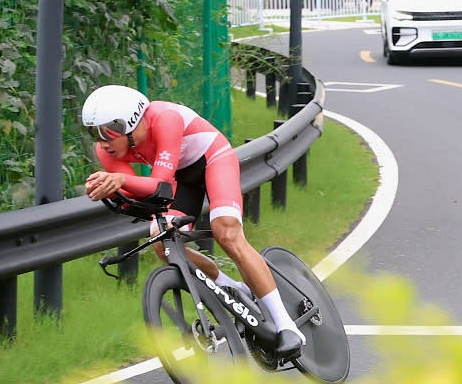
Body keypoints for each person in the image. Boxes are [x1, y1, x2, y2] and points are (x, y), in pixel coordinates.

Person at [81, 85, 304, 360]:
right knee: (164, 245)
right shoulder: (108, 152)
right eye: (94, 133)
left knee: (226, 232)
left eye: (106, 132)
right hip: (180, 181)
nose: (101, 142)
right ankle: (229, 287)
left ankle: (287, 326)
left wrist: (121, 182)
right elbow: (142, 194)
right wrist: (109, 189)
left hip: (212, 159)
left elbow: (159, 184)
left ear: (129, 123)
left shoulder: (165, 119)